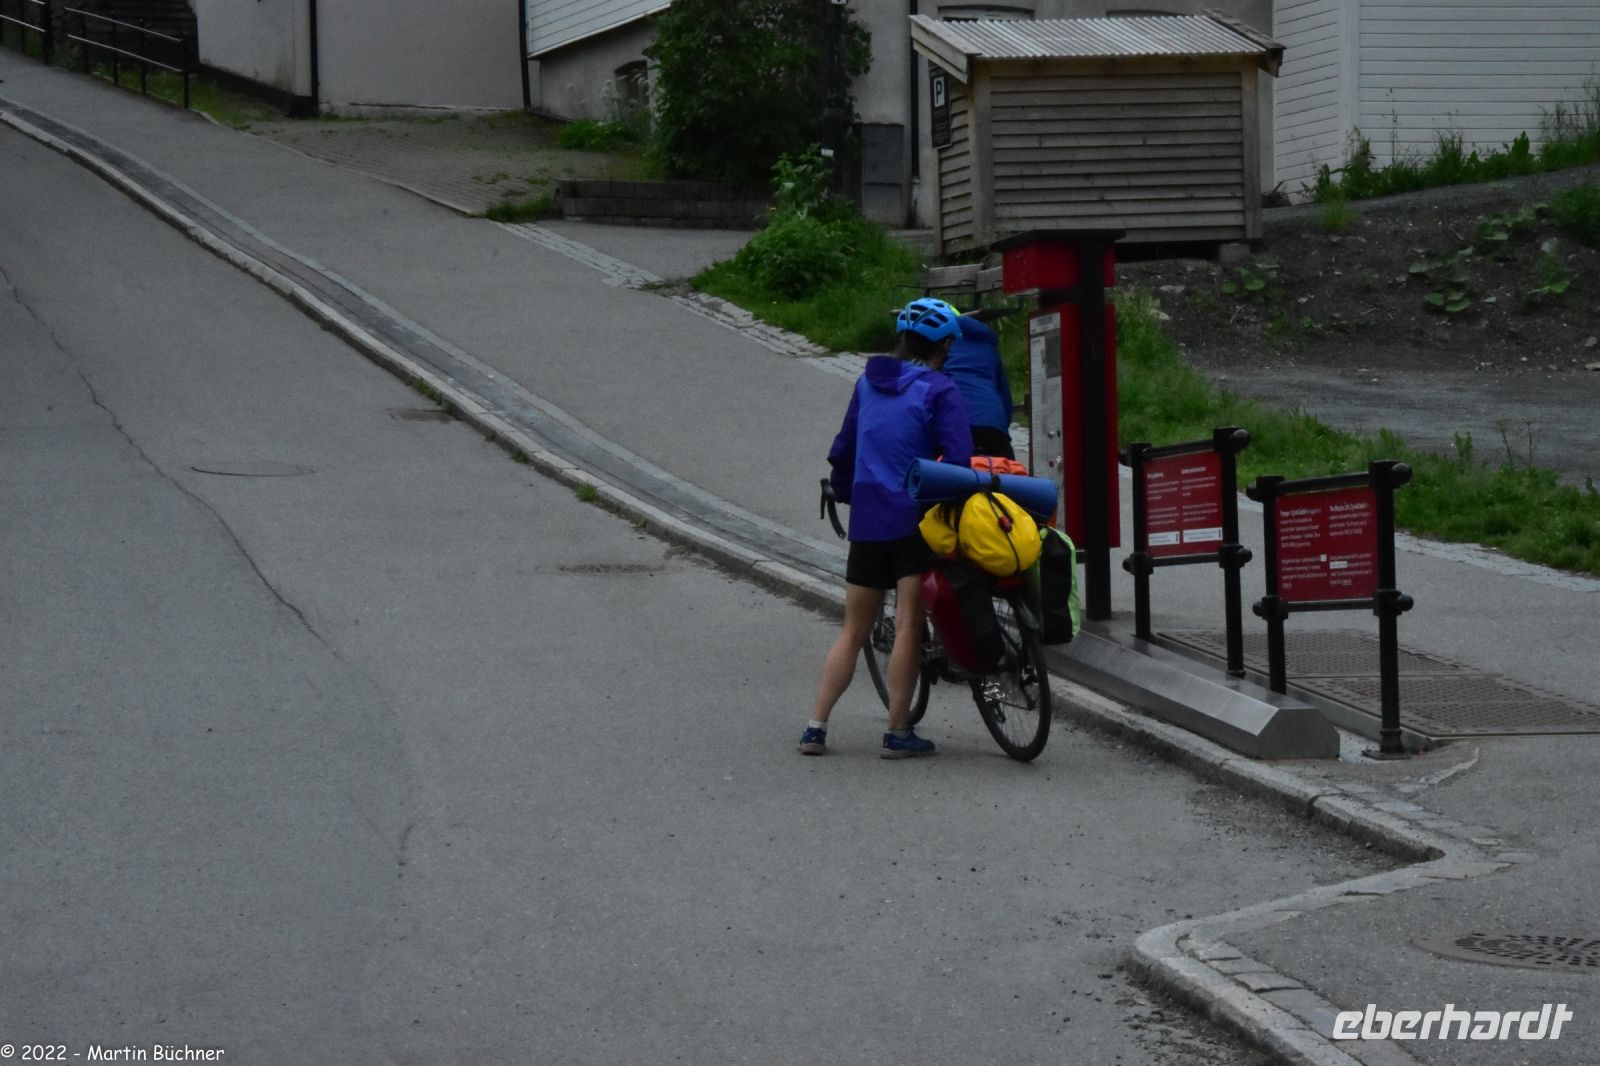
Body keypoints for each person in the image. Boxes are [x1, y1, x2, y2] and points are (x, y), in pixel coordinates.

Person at [799, 298, 972, 759]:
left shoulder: (866, 382)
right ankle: (897, 732)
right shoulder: (940, 389)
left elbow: (844, 449)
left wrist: (843, 489)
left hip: (868, 519)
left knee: (852, 631)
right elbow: (958, 461)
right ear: (945, 345)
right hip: (913, 520)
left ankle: (815, 727)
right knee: (909, 624)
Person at [941, 311, 1015, 459]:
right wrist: (1001, 427)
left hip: (954, 425)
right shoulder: (990, 351)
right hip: (992, 427)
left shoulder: (943, 350)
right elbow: (1005, 399)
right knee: (1006, 469)